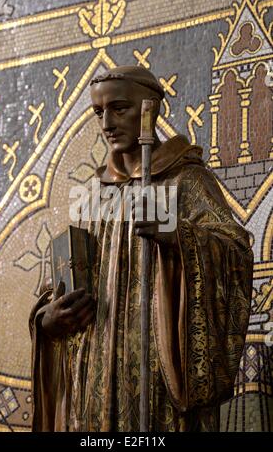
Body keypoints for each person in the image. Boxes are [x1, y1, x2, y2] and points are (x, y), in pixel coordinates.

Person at [29, 66, 253, 432]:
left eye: (120, 108)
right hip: (94, 373)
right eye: (99, 112)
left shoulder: (186, 180)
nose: (107, 123)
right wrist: (47, 319)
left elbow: (235, 253)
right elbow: (56, 284)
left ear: (150, 111)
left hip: (158, 372)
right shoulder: (92, 194)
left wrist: (180, 238)